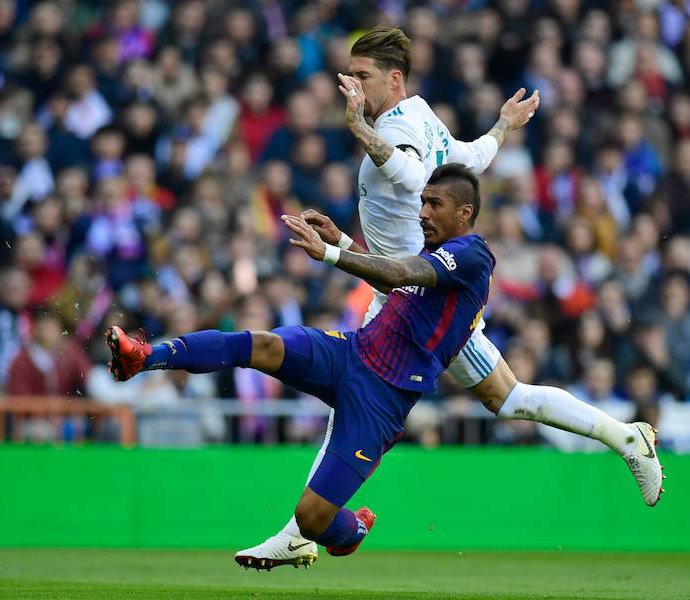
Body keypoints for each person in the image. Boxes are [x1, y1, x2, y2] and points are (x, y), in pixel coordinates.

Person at [235, 25, 663, 570]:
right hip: (402, 291)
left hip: (420, 298)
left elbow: (416, 176)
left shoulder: (396, 126)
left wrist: (361, 130)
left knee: (499, 400)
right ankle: (626, 438)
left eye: (363, 76)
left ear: (393, 78)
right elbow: (468, 162)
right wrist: (503, 127)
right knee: (505, 398)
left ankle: (626, 437)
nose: (353, 85)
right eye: (351, 74)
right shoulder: (422, 113)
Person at [107, 164, 495, 562]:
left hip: (383, 399)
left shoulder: (473, 256)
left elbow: (398, 273)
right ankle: (145, 356)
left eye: (435, 204)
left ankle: (352, 528)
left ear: (465, 212)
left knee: (310, 520)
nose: (423, 212)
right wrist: (342, 239)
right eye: (423, 202)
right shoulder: (440, 254)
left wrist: (329, 253)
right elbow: (397, 286)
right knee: (263, 344)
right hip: (351, 352)